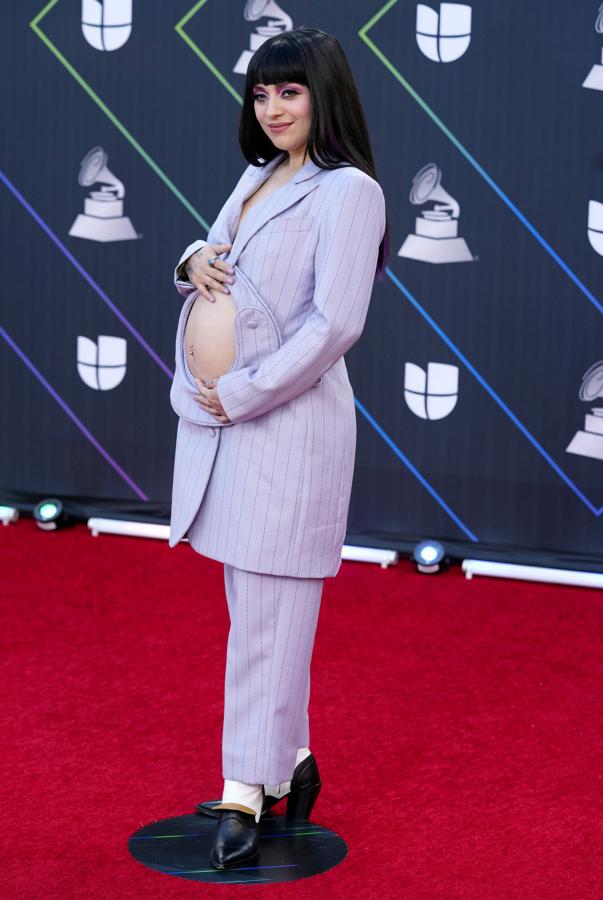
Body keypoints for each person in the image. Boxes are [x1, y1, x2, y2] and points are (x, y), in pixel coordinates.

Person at [169, 26, 388, 870]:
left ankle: (242, 789)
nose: (271, 109)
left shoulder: (349, 192)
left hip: (285, 434)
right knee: (258, 617)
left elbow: (335, 325)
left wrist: (243, 393)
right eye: (260, 94)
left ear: (322, 94)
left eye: (288, 93)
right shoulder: (258, 176)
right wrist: (192, 259)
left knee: (266, 629)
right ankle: (291, 763)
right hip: (228, 432)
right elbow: (210, 247)